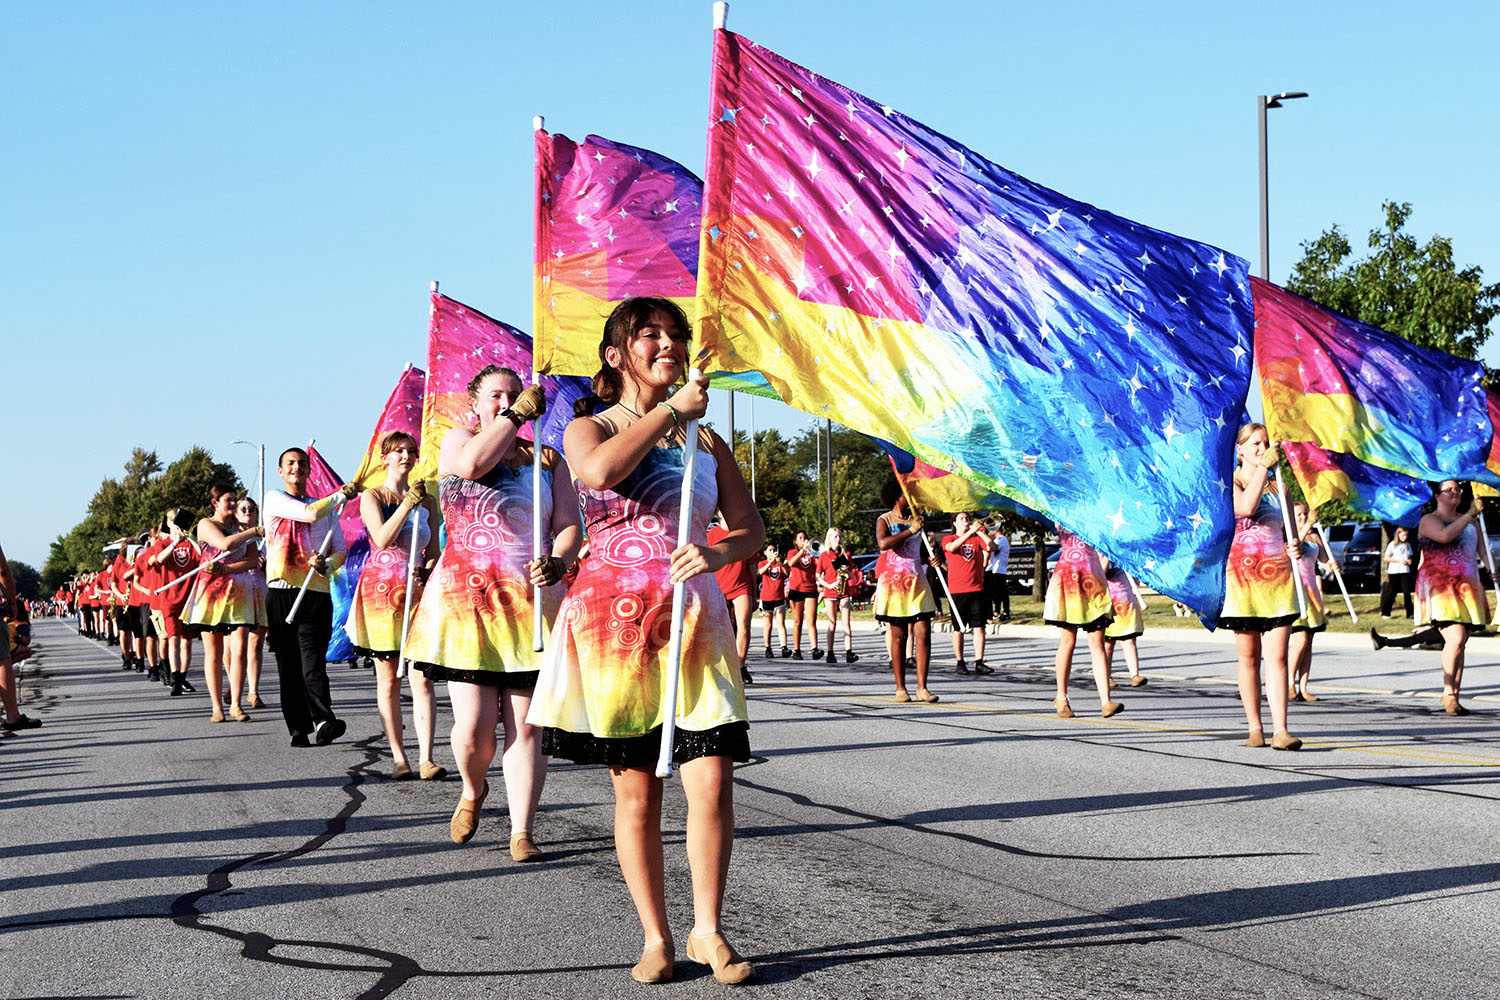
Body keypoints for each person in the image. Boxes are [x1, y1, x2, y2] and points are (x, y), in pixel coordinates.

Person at [528, 297, 761, 985]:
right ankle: (655, 935)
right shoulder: (584, 427)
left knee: (712, 781)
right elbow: (599, 473)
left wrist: (719, 556)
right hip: (614, 629)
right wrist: (671, 412)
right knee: (637, 793)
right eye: (650, 334)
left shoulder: (706, 444)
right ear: (615, 355)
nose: (668, 343)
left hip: (694, 623)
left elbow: (750, 529)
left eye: (676, 335)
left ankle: (708, 931)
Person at [403, 366, 582, 856]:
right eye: (495, 396)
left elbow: (569, 525)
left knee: (526, 726)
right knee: (474, 730)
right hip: (468, 606)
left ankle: (522, 829)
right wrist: (518, 414)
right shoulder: (458, 441)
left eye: (513, 394)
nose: (505, 402)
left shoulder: (549, 459)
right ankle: (472, 789)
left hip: (529, 604)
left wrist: (559, 559)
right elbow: (474, 466)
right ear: (476, 403)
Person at [347, 431, 445, 781]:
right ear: (384, 457)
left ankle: (427, 757)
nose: (406, 456)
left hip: (417, 592)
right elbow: (383, 538)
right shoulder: (372, 496)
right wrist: (405, 504)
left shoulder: (429, 501)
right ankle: (398, 756)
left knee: (423, 678)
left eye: (411, 451)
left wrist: (428, 569)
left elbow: (433, 551)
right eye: (398, 451)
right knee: (388, 677)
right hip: (382, 592)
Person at [265, 449, 355, 746]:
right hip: (280, 593)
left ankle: (323, 719)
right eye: (289, 463)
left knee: (313, 663)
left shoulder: (326, 509)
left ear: (309, 470)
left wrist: (325, 565)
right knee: (288, 664)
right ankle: (298, 727)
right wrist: (340, 495)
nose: (296, 468)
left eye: (302, 463)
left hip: (314, 593)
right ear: (280, 470)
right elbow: (308, 513)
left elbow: (339, 550)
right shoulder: (274, 499)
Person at [1221, 424, 1301, 750]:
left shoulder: (1280, 486)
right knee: (1249, 656)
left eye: (1266, 443)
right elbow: (1245, 508)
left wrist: (1296, 546)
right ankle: (1255, 726)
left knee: (1278, 655)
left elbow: (1293, 534)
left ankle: (1281, 729)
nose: (1262, 447)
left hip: (1278, 581)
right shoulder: (1231, 484)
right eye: (1256, 443)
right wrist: (1264, 466)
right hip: (1242, 583)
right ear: (1240, 450)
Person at [182, 485, 266, 720]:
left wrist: (226, 568)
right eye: (227, 500)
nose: (232, 504)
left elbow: (251, 561)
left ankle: (236, 704)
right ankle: (217, 707)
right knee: (214, 652)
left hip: (239, 591)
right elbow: (224, 544)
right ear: (215, 503)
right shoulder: (205, 524)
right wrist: (253, 532)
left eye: (234, 500)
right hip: (211, 592)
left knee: (239, 648)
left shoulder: (242, 529)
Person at [1413, 480, 1488, 715]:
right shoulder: (1429, 520)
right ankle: (1448, 693)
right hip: (1440, 589)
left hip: (1467, 587)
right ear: (1437, 495)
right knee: (1454, 637)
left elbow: (1482, 550)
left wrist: (1491, 567)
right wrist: (1470, 514)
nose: (1455, 493)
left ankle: (1454, 693)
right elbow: (1445, 536)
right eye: (1449, 490)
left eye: (1458, 489)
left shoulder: (1472, 523)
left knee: (1461, 641)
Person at [873, 479, 938, 703]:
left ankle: (923, 687)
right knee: (899, 636)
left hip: (917, 582)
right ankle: (901, 688)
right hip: (894, 584)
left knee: (923, 632)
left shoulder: (918, 520)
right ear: (896, 495)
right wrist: (910, 530)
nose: (911, 498)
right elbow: (883, 543)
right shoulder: (885, 519)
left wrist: (934, 557)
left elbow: (923, 548)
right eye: (906, 494)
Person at [1045, 523, 1118, 718]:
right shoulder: (1061, 510)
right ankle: (1061, 697)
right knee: (1068, 642)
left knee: (1098, 644)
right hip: (1068, 579)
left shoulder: (1095, 513)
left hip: (1093, 580)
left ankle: (1106, 701)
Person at [1288, 502, 1335, 703]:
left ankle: (1303, 687)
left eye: (1305, 513)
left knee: (1309, 643)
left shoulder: (1315, 537)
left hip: (1312, 594)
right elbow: (1295, 544)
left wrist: (1331, 565)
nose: (1303, 517)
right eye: (1299, 514)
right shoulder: (1288, 535)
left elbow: (1324, 562)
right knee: (1300, 640)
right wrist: (1308, 525)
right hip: (1295, 593)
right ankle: (1288, 683)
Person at [151, 508, 201, 694]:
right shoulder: (162, 543)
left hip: (189, 599)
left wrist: (190, 539)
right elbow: (158, 560)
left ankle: (182, 677)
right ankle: (175, 680)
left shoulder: (191, 543)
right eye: (173, 522)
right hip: (170, 599)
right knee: (173, 639)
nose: (177, 526)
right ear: (169, 524)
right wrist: (174, 543)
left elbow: (202, 557)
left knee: (186, 642)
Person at [708, 513, 757, 685]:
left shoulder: (742, 534)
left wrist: (755, 592)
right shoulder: (710, 535)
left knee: (744, 625)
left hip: (741, 586)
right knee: (724, 631)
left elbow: (752, 566)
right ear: (719, 513)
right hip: (719, 587)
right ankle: (724, 666)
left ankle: (740, 666)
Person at [942, 512, 992, 675]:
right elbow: (952, 548)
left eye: (967, 519)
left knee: (979, 626)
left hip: (977, 588)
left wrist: (979, 532)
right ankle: (960, 661)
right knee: (959, 628)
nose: (966, 521)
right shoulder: (948, 539)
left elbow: (992, 547)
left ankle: (979, 662)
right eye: (962, 519)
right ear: (954, 523)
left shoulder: (977, 538)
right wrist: (970, 532)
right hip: (957, 589)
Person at [233, 496, 270, 709]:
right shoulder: (233, 536)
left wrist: (265, 566)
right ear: (237, 513)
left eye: (252, 509)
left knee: (256, 643)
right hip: (238, 593)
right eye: (243, 508)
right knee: (236, 645)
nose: (248, 511)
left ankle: (253, 691)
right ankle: (234, 683)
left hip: (260, 591)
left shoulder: (265, 538)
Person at [817, 527, 858, 664]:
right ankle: (830, 652)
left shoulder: (845, 554)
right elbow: (817, 576)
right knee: (832, 623)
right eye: (835, 536)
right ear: (829, 538)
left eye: (839, 536)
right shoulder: (824, 555)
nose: (838, 539)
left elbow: (852, 574)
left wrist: (847, 570)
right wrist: (827, 585)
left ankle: (849, 652)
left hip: (844, 591)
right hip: (830, 592)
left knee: (846, 622)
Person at [1102, 562, 1147, 687]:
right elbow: (1100, 573)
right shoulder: (1101, 553)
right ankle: (1105, 676)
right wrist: (1107, 558)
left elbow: (1136, 580)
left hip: (1126, 603)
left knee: (1129, 640)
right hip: (1108, 604)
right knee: (1108, 644)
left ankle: (1135, 675)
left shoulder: (1122, 556)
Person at [784, 530, 821, 659]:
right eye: (800, 538)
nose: (803, 540)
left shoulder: (812, 554)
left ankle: (814, 649)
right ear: (795, 541)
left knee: (811, 621)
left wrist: (812, 552)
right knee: (797, 621)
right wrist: (802, 551)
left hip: (810, 588)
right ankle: (797, 650)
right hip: (797, 588)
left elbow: (819, 565)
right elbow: (790, 563)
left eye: (805, 537)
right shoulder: (792, 552)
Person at [755, 543, 790, 658]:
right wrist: (770, 562)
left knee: (781, 623)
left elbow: (787, 573)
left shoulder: (780, 563)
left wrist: (781, 563)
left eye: (774, 550)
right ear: (765, 552)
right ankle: (768, 647)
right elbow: (759, 572)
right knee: (768, 624)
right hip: (766, 597)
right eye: (770, 550)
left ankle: (784, 647)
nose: (772, 552)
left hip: (779, 597)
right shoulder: (762, 563)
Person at [1380, 526, 1415, 619]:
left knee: (1407, 592)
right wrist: (1399, 561)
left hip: (1405, 571)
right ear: (1398, 535)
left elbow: (1409, 556)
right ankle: (1386, 612)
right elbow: (1386, 558)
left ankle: (1410, 613)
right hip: (1394, 571)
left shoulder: (1408, 545)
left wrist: (1409, 561)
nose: (1405, 537)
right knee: (1393, 591)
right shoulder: (1392, 545)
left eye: (1406, 535)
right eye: (1403, 535)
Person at [984, 523, 1011, 623]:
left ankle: (1005, 611)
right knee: (996, 592)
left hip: (1000, 569)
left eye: (992, 529)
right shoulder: (996, 540)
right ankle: (997, 611)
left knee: (1001, 592)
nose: (990, 531)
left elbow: (994, 549)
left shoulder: (1002, 539)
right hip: (994, 569)